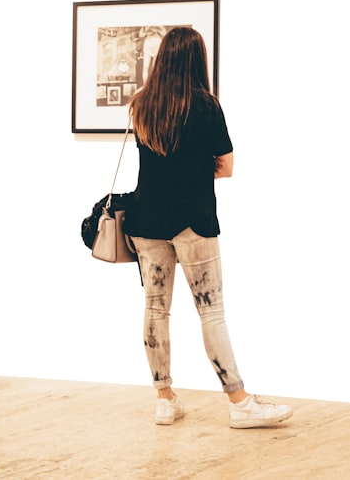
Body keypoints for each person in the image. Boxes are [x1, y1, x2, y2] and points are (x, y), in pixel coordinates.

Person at [125, 26, 293, 429]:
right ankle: (239, 402)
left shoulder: (141, 104)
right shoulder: (205, 105)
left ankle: (164, 399)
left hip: (146, 221)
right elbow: (227, 167)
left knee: (154, 308)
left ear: (162, 58)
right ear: (197, 59)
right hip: (193, 219)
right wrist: (195, 171)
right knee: (211, 311)